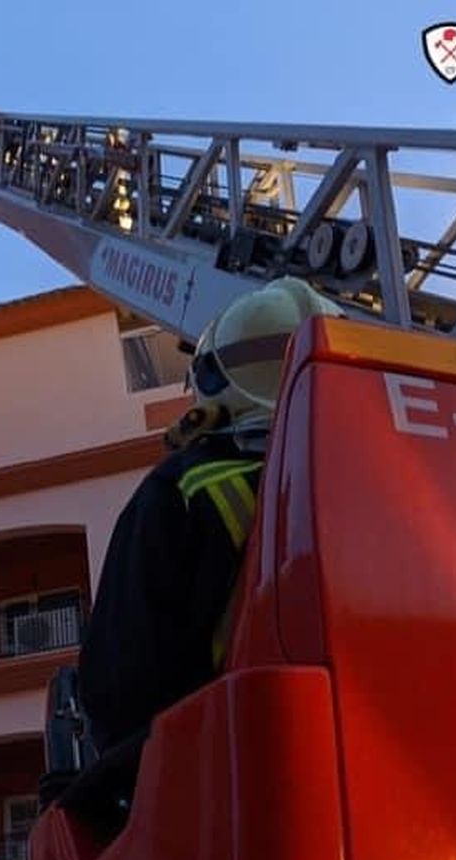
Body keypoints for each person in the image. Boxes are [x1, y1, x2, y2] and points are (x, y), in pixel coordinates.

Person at [77, 277, 344, 756]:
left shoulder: (185, 488)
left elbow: (118, 688)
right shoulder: (394, 481)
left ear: (214, 379)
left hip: (242, 759)